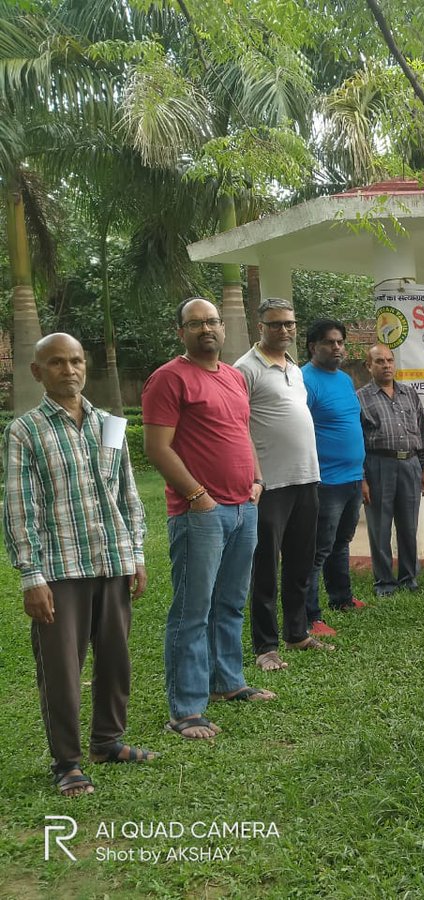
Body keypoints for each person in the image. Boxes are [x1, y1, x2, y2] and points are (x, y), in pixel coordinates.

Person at [3, 333, 154, 796]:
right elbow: (18, 507)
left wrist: (137, 553)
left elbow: (126, 492)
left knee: (116, 659)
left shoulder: (108, 423)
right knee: (62, 670)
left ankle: (108, 741)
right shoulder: (24, 431)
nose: (68, 370)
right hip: (60, 570)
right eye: (56, 363)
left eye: (75, 361)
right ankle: (66, 762)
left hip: (111, 561)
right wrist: (32, 575)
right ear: (37, 372)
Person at [143, 297, 274, 742]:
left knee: (230, 603)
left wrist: (256, 481)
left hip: (244, 507)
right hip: (200, 513)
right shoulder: (168, 379)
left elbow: (242, 432)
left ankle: (227, 682)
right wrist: (197, 495)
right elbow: (157, 448)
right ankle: (186, 709)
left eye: (213, 322)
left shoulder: (235, 376)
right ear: (181, 332)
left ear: (223, 328)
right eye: (196, 323)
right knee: (192, 610)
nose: (207, 329)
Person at [235, 298, 325, 671]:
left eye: (289, 323)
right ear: (261, 328)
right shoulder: (245, 369)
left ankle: (297, 632)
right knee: (266, 565)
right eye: (275, 324)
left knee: (301, 562)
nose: (284, 330)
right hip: (270, 484)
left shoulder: (294, 368)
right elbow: (238, 427)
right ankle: (265, 646)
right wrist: (255, 476)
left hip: (307, 478)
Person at [303, 319, 367, 625]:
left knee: (342, 542)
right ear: (314, 347)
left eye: (340, 341)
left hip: (352, 477)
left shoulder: (344, 379)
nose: (337, 347)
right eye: (330, 342)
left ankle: (341, 599)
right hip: (324, 481)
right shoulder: (305, 380)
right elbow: (299, 430)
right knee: (317, 550)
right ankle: (310, 615)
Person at [358, 344, 424, 595]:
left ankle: (409, 579)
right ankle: (385, 583)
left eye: (390, 360)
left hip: (410, 465)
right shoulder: (360, 398)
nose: (387, 365)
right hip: (378, 465)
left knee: (408, 526)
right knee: (379, 527)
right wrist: (362, 479)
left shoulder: (409, 394)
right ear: (369, 366)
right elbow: (356, 440)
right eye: (379, 361)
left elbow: (423, 431)